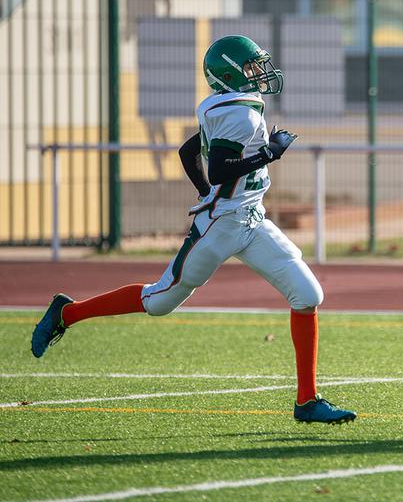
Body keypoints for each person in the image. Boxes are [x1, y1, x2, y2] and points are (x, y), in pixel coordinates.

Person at [31, 35, 356, 425]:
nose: (259, 73)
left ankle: (307, 401)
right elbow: (219, 167)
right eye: (251, 67)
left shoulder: (230, 106)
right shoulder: (238, 113)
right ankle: (67, 313)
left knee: (307, 295)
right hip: (220, 227)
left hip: (251, 219)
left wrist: (207, 192)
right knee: (159, 300)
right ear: (229, 74)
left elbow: (188, 152)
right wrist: (269, 153)